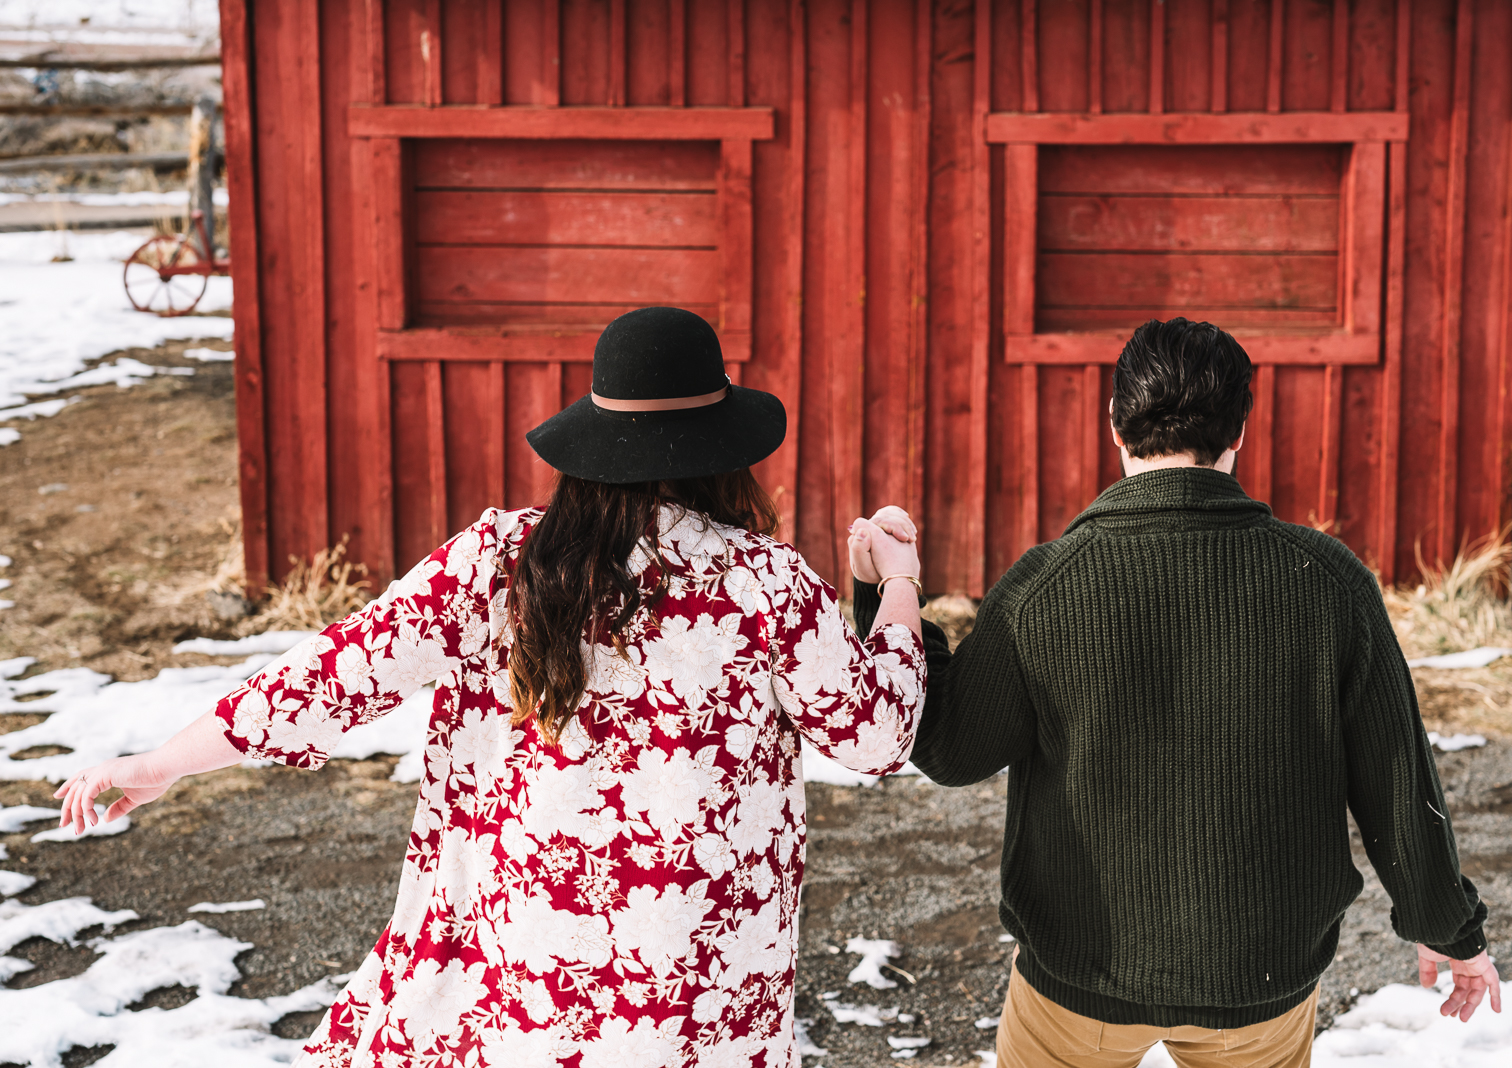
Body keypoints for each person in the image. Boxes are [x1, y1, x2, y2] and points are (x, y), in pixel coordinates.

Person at [55, 306, 928, 1068]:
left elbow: (326, 680)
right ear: (725, 452)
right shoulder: (765, 585)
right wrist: (893, 583)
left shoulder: (498, 565)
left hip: (528, 986)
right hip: (711, 1003)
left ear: (590, 439)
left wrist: (163, 762)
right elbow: (877, 734)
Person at [848, 317, 1500, 1068]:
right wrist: (1451, 931)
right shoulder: (1328, 583)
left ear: (1115, 427)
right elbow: (1394, 779)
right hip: (1260, 982)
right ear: (1241, 432)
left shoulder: (1045, 587)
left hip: (1079, 981)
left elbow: (949, 748)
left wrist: (889, 597)